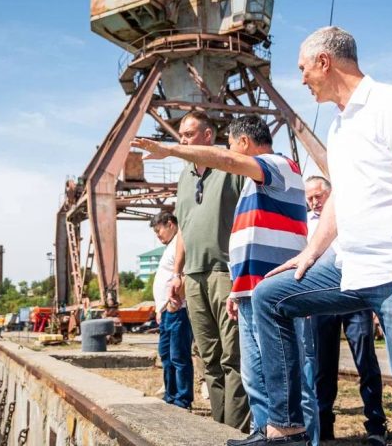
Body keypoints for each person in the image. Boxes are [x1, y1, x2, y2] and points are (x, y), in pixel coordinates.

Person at [251, 26, 392, 446]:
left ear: (324, 62)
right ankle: (285, 429)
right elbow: (341, 197)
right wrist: (310, 253)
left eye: (303, 69)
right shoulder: (338, 127)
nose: (302, 79)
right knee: (269, 297)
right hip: (351, 269)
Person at [133, 116, 319, 445]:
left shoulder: (278, 165)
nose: (229, 153)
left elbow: (227, 160)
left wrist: (170, 150)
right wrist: (237, 288)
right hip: (249, 288)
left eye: (231, 146)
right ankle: (264, 433)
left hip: (274, 287)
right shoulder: (253, 183)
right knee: (256, 374)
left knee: (288, 376)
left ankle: (301, 438)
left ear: (243, 143)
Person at [135, 111, 251, 430]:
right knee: (209, 359)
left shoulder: (229, 165)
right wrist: (178, 274)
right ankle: (218, 427)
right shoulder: (185, 177)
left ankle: (236, 431)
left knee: (233, 358)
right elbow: (184, 228)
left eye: (189, 134)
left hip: (226, 272)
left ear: (208, 136)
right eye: (181, 135)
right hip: (194, 277)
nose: (183, 140)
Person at [305, 176, 387, 443]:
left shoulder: (350, 217)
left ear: (331, 196)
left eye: (319, 197)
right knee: (323, 367)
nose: (314, 202)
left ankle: (376, 427)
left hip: (355, 296)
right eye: (310, 198)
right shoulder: (305, 222)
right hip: (321, 302)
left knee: (366, 362)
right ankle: (325, 427)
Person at [149, 211, 194, 409]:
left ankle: (182, 399)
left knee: (178, 355)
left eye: (159, 231)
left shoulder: (179, 243)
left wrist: (179, 297)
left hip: (178, 309)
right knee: (166, 355)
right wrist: (160, 308)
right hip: (167, 310)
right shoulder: (170, 247)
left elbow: (184, 273)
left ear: (170, 224)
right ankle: (171, 394)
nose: (158, 236)